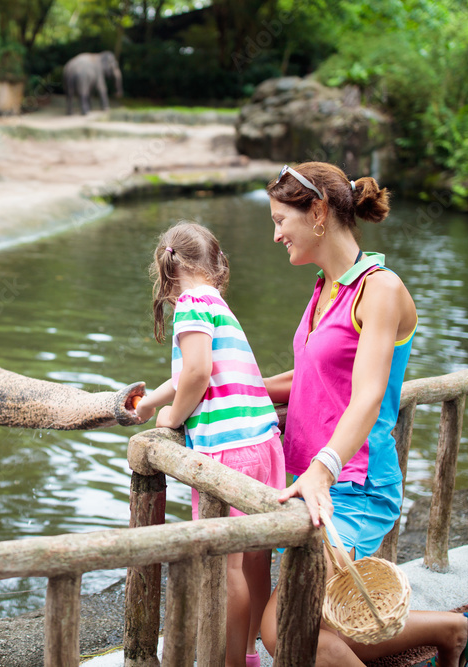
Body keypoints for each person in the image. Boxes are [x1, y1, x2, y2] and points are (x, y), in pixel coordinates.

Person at [258, 162, 468, 667]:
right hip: (309, 480)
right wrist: (231, 389)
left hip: (353, 484)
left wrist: (323, 469)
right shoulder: (325, 288)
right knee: (324, 622)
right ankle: (452, 631)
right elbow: (308, 380)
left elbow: (367, 393)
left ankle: (452, 631)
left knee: (282, 626)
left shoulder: (379, 290)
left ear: (317, 213)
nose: (276, 234)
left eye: (280, 220)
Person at [135, 221, 285, 667]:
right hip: (262, 442)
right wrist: (150, 403)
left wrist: (172, 417)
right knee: (256, 557)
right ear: (214, 264)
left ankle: (231, 662)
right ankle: (251, 651)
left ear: (167, 267)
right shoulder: (215, 302)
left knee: (227, 566)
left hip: (228, 452)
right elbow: (190, 374)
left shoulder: (190, 305)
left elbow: (197, 375)